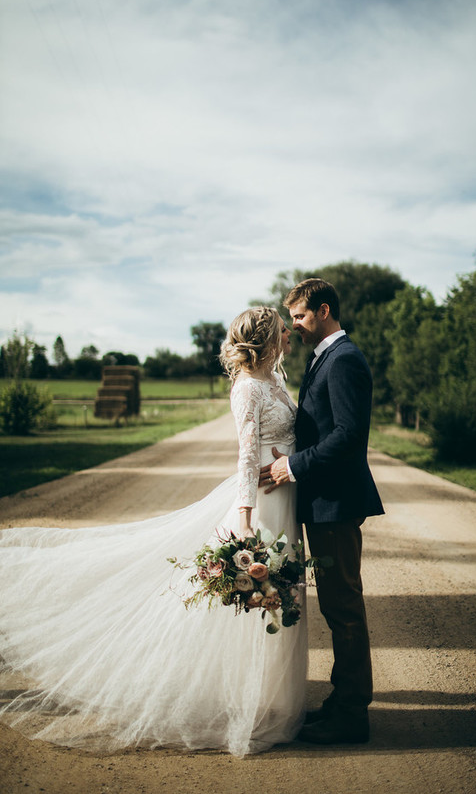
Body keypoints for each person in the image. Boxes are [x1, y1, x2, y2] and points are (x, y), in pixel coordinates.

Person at [0, 306, 306, 758]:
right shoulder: (246, 389)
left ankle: (279, 699)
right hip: (261, 502)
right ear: (266, 338)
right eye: (281, 328)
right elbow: (245, 455)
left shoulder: (277, 381)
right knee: (260, 597)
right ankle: (252, 703)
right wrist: (243, 518)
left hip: (286, 495)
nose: (287, 332)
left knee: (285, 597)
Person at [260, 278, 384, 745]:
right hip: (323, 503)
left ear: (324, 310)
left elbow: (348, 438)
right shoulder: (324, 357)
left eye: (299, 317)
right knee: (337, 607)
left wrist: (293, 465)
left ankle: (352, 715)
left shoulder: (345, 360)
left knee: (344, 608)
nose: (294, 325)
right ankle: (339, 703)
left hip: (336, 504)